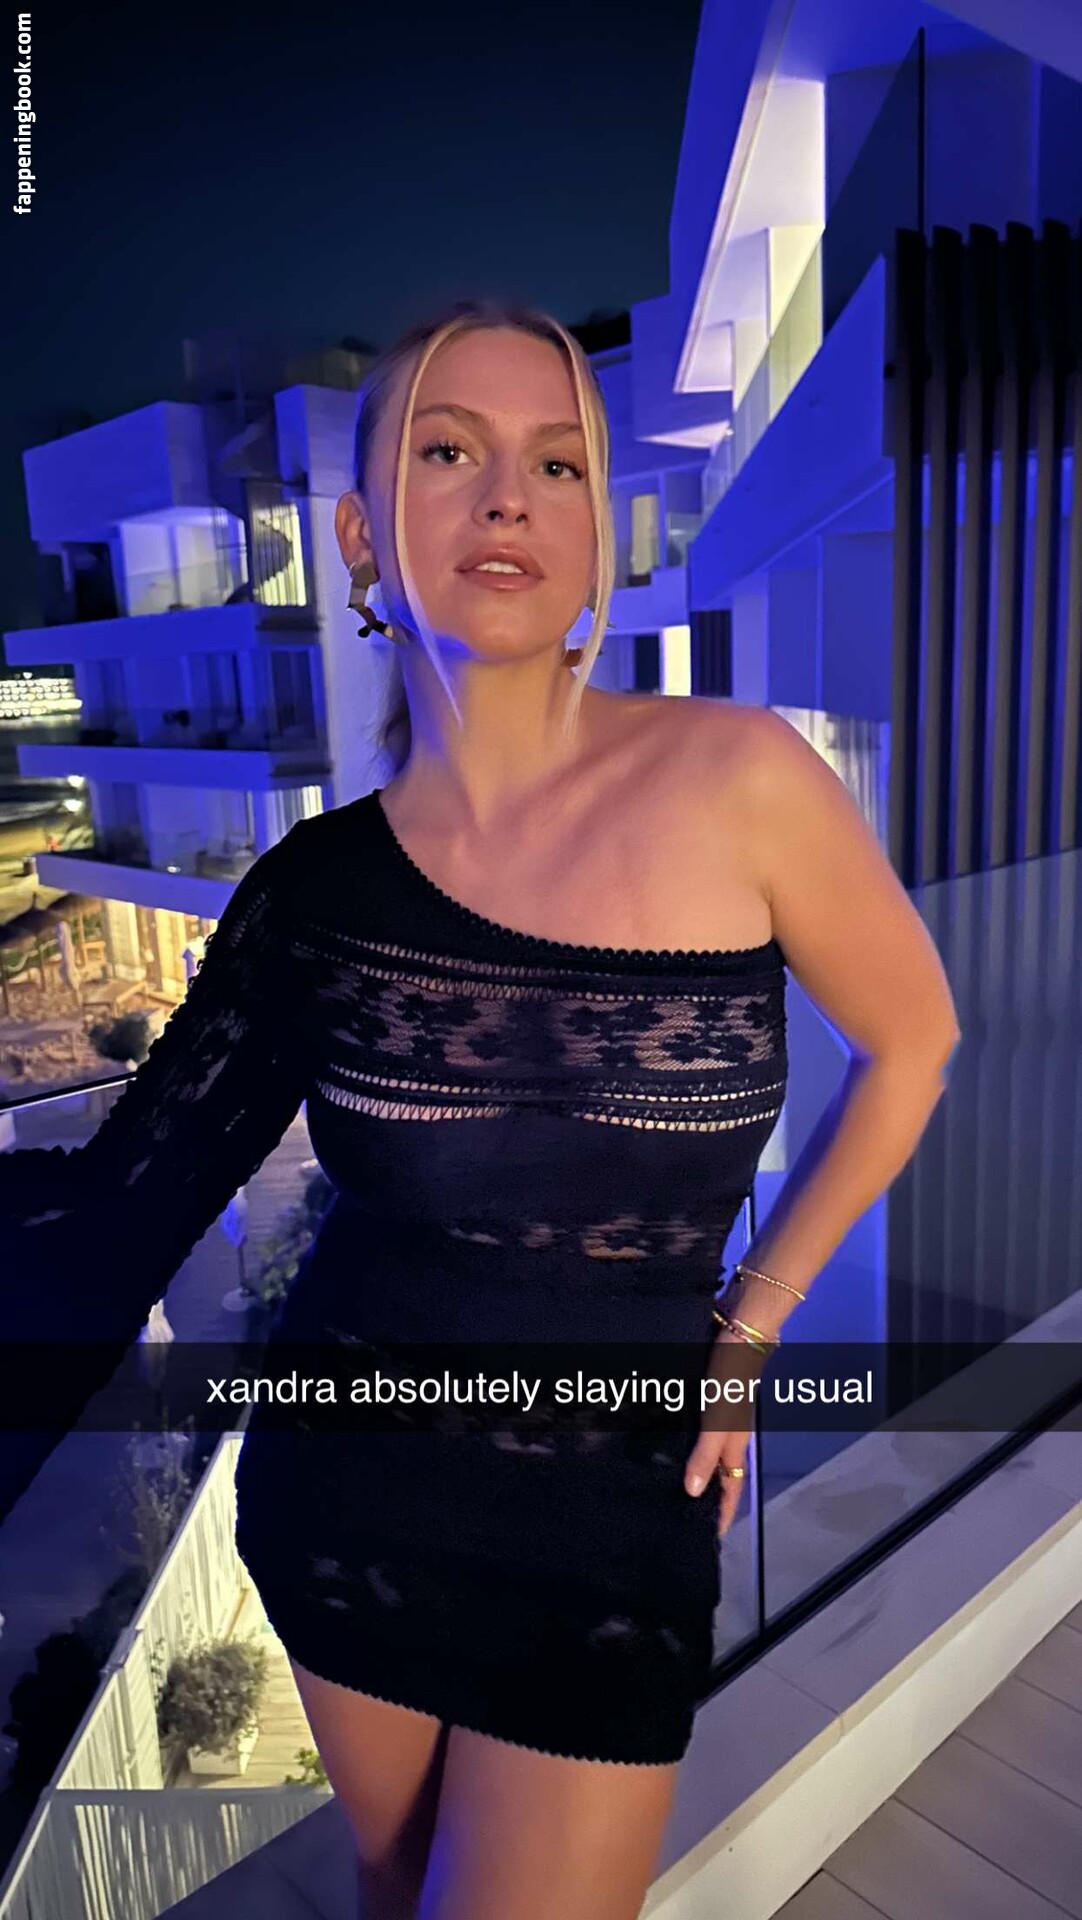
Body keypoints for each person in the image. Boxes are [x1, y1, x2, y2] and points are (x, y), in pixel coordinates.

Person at [0, 299, 961, 1919]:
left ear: (594, 535)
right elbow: (114, 1208)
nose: (509, 494)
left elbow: (914, 1039)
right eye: (449, 452)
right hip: (347, 1495)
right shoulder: (315, 893)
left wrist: (750, 1330)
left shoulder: (743, 779)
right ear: (362, 537)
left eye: (558, 463)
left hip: (618, 1516)